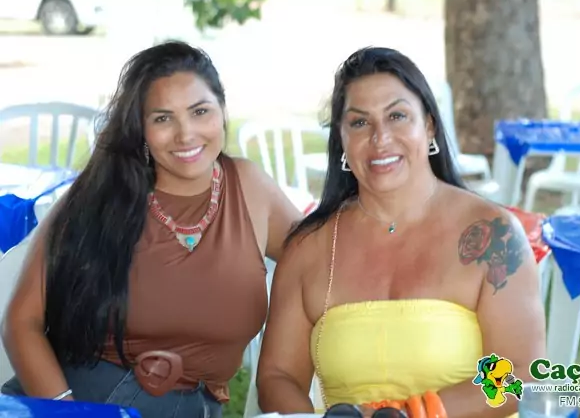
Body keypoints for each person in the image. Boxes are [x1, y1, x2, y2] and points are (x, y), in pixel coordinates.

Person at [1, 41, 300, 417]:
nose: (185, 134)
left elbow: (329, 259)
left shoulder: (250, 188)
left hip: (189, 406)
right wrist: (68, 412)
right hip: (71, 400)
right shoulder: (101, 195)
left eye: (200, 111)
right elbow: (21, 321)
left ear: (222, 110)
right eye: (162, 118)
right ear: (140, 128)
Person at [256, 46, 546, 418]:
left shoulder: (494, 235)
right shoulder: (309, 247)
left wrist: (416, 413)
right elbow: (277, 378)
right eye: (359, 123)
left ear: (429, 125)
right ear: (341, 139)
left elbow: (522, 374)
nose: (380, 138)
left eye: (397, 116)